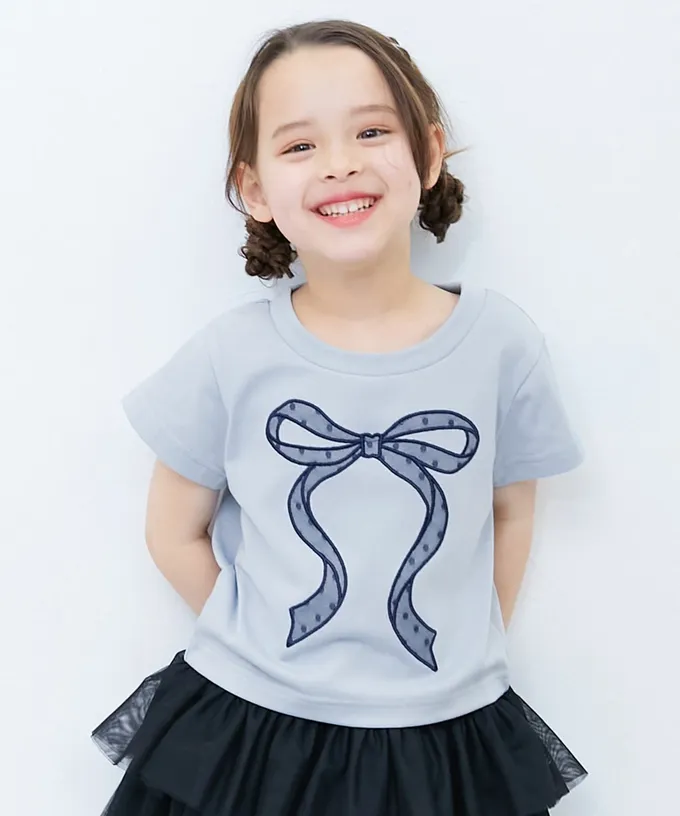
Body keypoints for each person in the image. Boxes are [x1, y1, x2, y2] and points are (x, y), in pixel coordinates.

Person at [92, 18, 588, 816]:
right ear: (255, 189)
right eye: (300, 145)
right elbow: (172, 530)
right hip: (252, 725)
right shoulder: (231, 353)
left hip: (444, 729)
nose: (340, 163)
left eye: (371, 131)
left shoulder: (501, 342)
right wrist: (260, 651)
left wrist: (464, 656)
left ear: (428, 153)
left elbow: (510, 512)